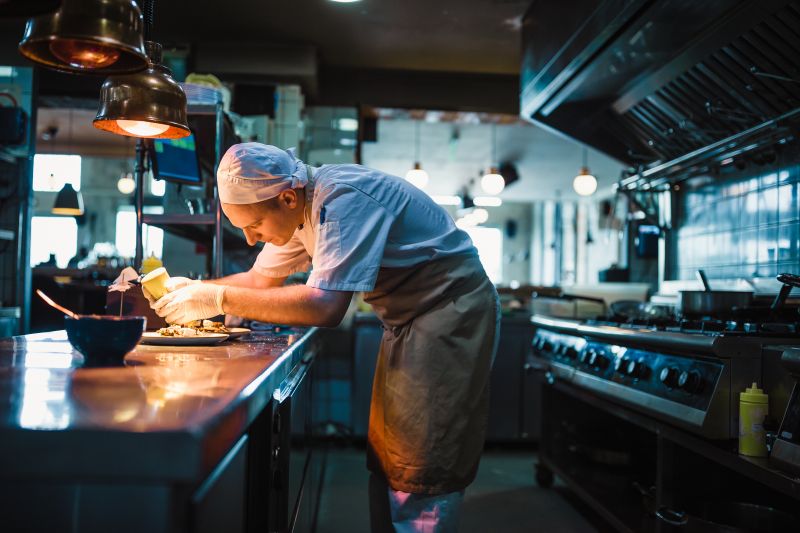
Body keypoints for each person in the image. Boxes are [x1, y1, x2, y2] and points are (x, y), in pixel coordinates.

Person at [144, 143, 500, 532]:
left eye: (254, 226)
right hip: (409, 321)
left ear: (286, 197)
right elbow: (258, 281)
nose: (249, 240)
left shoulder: (342, 200)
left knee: (425, 460)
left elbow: (324, 307)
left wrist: (216, 297)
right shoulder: (298, 213)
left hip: (449, 312)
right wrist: (192, 290)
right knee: (394, 456)